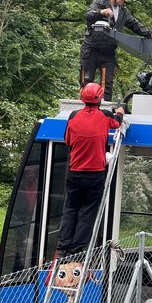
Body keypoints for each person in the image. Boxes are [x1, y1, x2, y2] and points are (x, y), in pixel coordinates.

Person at [57, 82, 126, 257]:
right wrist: (120, 111)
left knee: (71, 208)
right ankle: (77, 248)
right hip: (95, 174)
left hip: (74, 173)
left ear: (82, 98)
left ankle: (63, 246)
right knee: (88, 211)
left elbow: (67, 141)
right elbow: (117, 123)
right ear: (100, 98)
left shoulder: (73, 116)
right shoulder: (105, 116)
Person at [80, 0, 152, 102]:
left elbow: (135, 24)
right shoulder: (99, 3)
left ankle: (104, 113)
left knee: (107, 85)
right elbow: (88, 15)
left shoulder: (123, 12)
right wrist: (101, 12)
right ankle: (84, 112)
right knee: (86, 82)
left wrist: (150, 34)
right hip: (91, 49)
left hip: (108, 52)